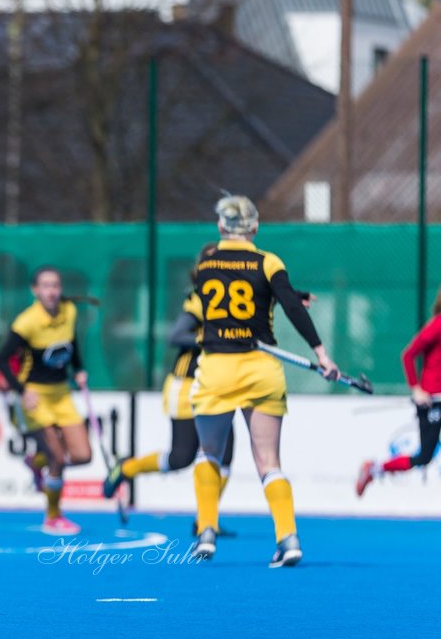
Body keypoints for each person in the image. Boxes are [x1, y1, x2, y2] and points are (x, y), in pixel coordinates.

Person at [189, 195, 339, 567]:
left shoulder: (205, 265)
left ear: (221, 228)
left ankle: (206, 531)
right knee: (269, 461)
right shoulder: (269, 262)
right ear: (255, 228)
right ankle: (288, 538)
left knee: (209, 453)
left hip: (217, 367)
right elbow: (285, 304)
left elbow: (235, 292)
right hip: (261, 369)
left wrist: (282, 295)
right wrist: (320, 353)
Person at [105, 245, 237, 536]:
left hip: (217, 387)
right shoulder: (200, 299)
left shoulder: (236, 302)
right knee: (181, 457)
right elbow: (177, 336)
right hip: (186, 386)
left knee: (226, 455)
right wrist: (213, 338)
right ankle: (127, 469)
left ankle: (205, 521)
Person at [0, 266, 91, 536]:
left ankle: (36, 462)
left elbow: (72, 345)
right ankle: (53, 516)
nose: (52, 291)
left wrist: (79, 369)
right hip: (35, 396)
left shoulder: (69, 311)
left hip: (61, 393)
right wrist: (22, 390)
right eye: (45, 286)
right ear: (35, 291)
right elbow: (1, 361)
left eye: (56, 285)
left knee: (83, 455)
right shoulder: (27, 322)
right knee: (58, 458)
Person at [356, 293, 441, 495]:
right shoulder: (437, 325)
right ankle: (375, 469)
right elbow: (408, 355)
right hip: (431, 402)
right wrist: (416, 388)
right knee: (424, 457)